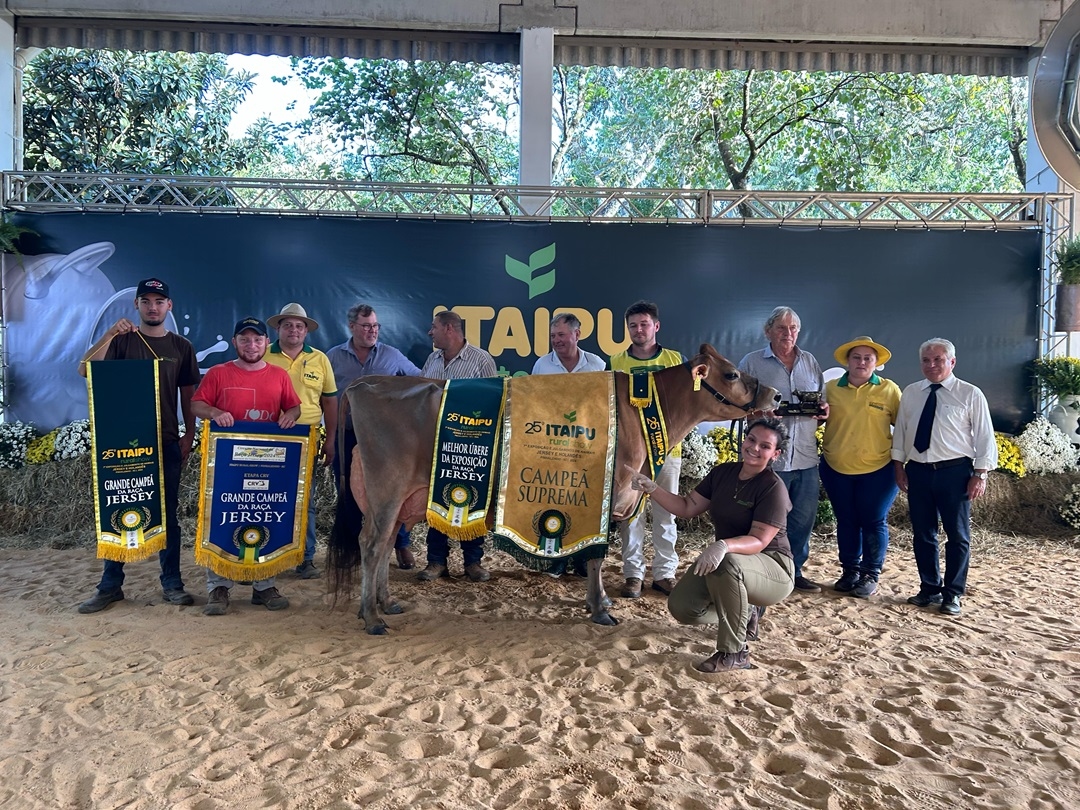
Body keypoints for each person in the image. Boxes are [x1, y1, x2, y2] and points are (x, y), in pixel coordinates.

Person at [627, 417, 794, 672]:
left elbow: (760, 540)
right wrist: (651, 488)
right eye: (751, 440)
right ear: (744, 439)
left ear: (775, 454)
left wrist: (723, 546)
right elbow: (686, 507)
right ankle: (743, 611)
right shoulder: (722, 473)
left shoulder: (773, 487)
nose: (755, 448)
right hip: (729, 561)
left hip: (773, 568)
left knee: (727, 563)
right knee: (683, 607)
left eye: (765, 446)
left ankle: (735, 652)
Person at [76, 278, 201, 613]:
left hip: (165, 440)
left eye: (159, 301)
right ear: (136, 305)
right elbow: (85, 370)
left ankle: (172, 583)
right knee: (118, 507)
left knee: (169, 515)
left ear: (169, 306)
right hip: (124, 445)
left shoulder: (181, 347)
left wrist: (189, 434)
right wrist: (109, 334)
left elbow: (189, 396)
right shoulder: (121, 341)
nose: (152, 307)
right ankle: (110, 585)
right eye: (145, 301)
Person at [192, 317, 302, 616]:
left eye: (257, 339)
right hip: (226, 464)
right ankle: (218, 586)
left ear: (267, 343)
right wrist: (214, 412)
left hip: (267, 464)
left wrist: (291, 415)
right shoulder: (217, 373)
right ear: (234, 342)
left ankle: (264, 585)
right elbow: (196, 405)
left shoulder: (279, 375)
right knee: (222, 516)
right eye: (244, 339)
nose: (251, 345)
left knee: (264, 514)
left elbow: (294, 406)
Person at [892, 338, 996, 617]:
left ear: (952, 362)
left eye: (938, 359)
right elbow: (901, 432)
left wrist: (981, 473)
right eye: (926, 360)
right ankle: (929, 588)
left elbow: (985, 437)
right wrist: (898, 465)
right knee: (923, 534)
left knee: (958, 535)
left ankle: (953, 593)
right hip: (919, 471)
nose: (932, 365)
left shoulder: (970, 394)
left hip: (956, 472)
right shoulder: (912, 393)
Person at [739, 306, 827, 593]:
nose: (788, 334)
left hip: (805, 457)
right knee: (764, 519)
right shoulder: (752, 363)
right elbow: (737, 405)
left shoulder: (810, 362)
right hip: (768, 461)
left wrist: (824, 409)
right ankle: (759, 570)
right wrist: (756, 414)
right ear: (768, 332)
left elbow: (822, 401)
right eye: (781, 328)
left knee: (802, 519)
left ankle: (794, 570)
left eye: (793, 329)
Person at [326, 303, 422, 569]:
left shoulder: (392, 355)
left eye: (375, 326)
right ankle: (352, 550)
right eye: (366, 326)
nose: (372, 331)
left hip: (386, 443)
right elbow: (324, 395)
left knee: (392, 494)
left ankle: (401, 545)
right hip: (347, 436)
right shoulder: (333, 357)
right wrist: (329, 438)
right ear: (352, 327)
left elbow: (420, 380)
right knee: (348, 493)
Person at [607, 300, 687, 597]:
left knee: (666, 513)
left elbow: (687, 404)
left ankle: (665, 573)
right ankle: (633, 574)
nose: (638, 330)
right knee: (631, 514)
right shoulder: (615, 363)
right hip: (630, 457)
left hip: (668, 451)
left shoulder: (675, 360)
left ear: (656, 326)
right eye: (632, 326)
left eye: (643, 324)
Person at [417, 310, 498, 583]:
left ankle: (473, 562)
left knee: (472, 497)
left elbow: (495, 400)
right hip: (436, 442)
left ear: (450, 329)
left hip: (472, 444)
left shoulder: (481, 359)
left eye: (434, 327)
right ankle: (435, 561)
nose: (431, 332)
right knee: (435, 498)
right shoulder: (432, 359)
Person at [819, 337, 902, 599]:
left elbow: (903, 428)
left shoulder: (890, 390)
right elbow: (817, 420)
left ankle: (870, 573)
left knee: (874, 519)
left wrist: (903, 463)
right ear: (847, 361)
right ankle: (850, 571)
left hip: (879, 469)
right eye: (856, 357)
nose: (862, 362)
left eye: (868, 358)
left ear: (876, 363)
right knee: (846, 520)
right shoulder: (830, 389)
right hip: (836, 467)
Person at [264, 303, 337, 579]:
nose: (293, 330)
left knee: (304, 499)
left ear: (306, 331)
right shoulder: (263, 354)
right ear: (278, 328)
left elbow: (329, 401)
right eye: (287, 325)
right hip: (269, 435)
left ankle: (305, 557)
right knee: (265, 496)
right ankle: (266, 550)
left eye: (299, 325)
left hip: (306, 436)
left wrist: (330, 440)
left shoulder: (319, 359)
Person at [532, 312, 606, 374]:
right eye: (553, 336)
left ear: (577, 334)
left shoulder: (596, 364)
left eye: (561, 335)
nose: (556, 340)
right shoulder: (541, 365)